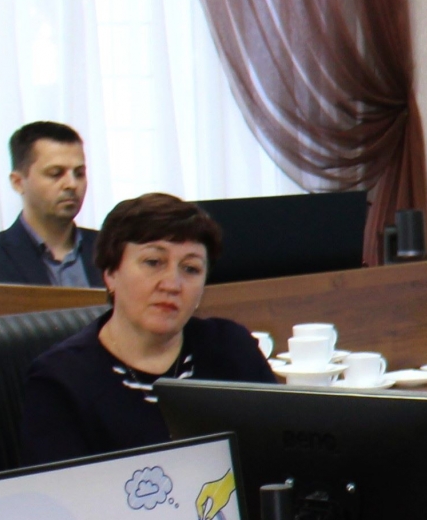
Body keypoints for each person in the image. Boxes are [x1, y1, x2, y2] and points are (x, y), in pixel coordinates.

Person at [19, 194, 275, 464]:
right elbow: (62, 489)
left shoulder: (232, 347)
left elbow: (279, 456)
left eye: (190, 269)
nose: (172, 284)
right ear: (111, 273)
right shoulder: (60, 381)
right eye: (153, 262)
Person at [0, 121, 102, 287]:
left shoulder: (112, 251)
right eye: (55, 173)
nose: (71, 184)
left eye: (79, 174)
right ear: (18, 182)